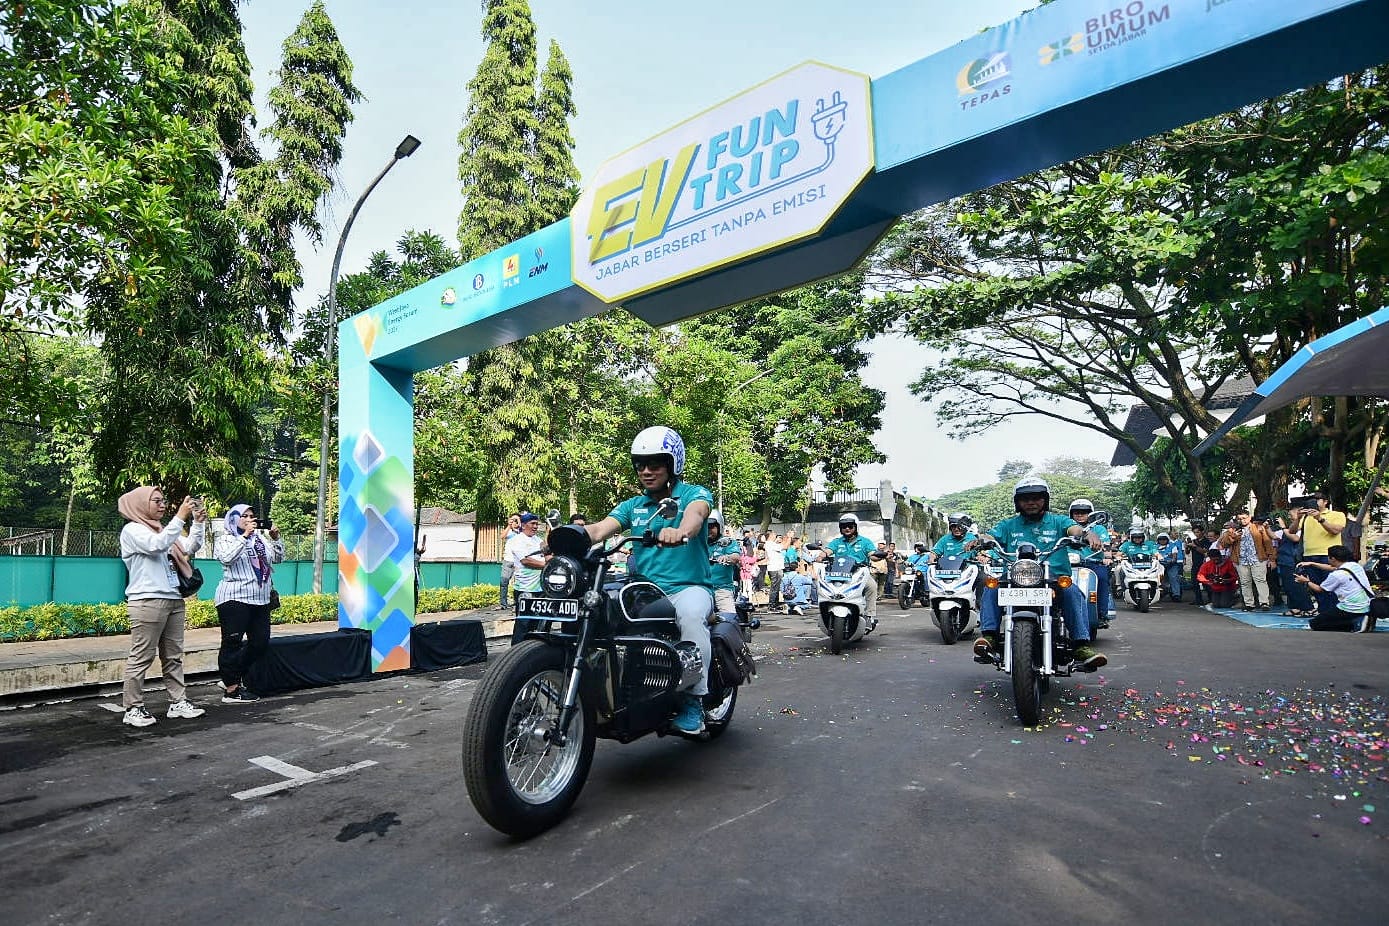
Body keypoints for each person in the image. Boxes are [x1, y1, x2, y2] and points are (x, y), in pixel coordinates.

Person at [585, 426, 715, 735]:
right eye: (640, 464)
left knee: (692, 617)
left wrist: (681, 531)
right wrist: (567, 536)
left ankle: (694, 700)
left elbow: (697, 516)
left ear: (672, 465)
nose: (646, 470)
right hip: (645, 593)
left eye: (655, 463)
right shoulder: (633, 506)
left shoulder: (694, 494)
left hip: (688, 588)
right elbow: (601, 529)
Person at [971, 477, 1107, 670]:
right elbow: (990, 535)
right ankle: (990, 637)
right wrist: (980, 539)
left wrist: (1085, 534)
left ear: (1045, 500)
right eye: (1025, 499)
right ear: (1018, 503)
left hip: (1053, 579)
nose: (1031, 502)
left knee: (1073, 593)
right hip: (1014, 579)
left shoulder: (1058, 521)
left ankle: (1081, 646)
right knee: (991, 587)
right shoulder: (1008, 525)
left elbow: (1073, 528)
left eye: (1036, 498)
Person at [117, 488, 208, 727]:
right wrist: (180, 516)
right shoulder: (133, 530)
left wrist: (197, 523)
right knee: (142, 656)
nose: (162, 505)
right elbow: (157, 546)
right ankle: (133, 708)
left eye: (163, 500)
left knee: (174, 656)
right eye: (156, 501)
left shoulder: (163, 529)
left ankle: (178, 703)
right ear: (139, 504)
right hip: (147, 600)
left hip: (173, 599)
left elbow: (188, 548)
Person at [214, 503, 285, 703]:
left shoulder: (260, 539)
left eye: (251, 516)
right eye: (243, 516)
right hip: (234, 597)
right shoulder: (226, 539)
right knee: (232, 643)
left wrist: (276, 539)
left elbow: (278, 559)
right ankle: (232, 690)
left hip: (260, 599)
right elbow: (227, 558)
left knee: (260, 642)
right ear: (233, 519)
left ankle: (231, 676)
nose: (249, 519)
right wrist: (244, 536)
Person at [1296, 545, 1375, 632]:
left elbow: (1320, 589)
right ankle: (1361, 619)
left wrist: (1306, 581)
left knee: (1315, 623)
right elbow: (1332, 567)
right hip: (1367, 604)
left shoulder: (1336, 575)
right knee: (1332, 616)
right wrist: (1312, 564)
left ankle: (1355, 624)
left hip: (1350, 607)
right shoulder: (1355, 566)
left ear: (1332, 558)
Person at [1295, 491, 1346, 617]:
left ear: (1325, 502)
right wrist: (1298, 518)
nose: (1314, 502)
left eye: (1317, 499)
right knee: (1315, 586)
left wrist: (1320, 518)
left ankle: (1334, 612)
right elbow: (1292, 530)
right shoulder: (1306, 517)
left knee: (1331, 586)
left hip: (1328, 556)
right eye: (1312, 500)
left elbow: (1335, 531)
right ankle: (1323, 611)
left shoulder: (1337, 514)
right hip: (1309, 555)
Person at [825, 513, 879, 623]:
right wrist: (820, 555)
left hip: (859, 573)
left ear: (856, 527)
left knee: (872, 586)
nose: (847, 528)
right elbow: (827, 551)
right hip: (838, 574)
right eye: (844, 526)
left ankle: (869, 616)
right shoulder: (836, 542)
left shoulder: (865, 542)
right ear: (841, 528)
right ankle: (825, 613)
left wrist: (879, 556)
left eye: (850, 526)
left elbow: (872, 555)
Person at [504, 513, 548, 644]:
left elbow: (548, 554)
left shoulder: (539, 541)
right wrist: (547, 566)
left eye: (537, 524)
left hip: (541, 588)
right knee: (523, 623)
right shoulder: (516, 541)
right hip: (525, 589)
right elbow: (525, 561)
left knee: (538, 623)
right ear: (523, 525)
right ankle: (515, 653)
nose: (535, 526)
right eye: (532, 524)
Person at [1219, 510, 1275, 611]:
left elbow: (1267, 542)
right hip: (1241, 560)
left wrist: (1272, 558)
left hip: (1257, 558)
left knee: (1261, 580)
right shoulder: (1231, 530)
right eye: (1239, 519)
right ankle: (1249, 604)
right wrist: (1233, 536)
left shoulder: (1258, 527)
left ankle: (1264, 603)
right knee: (1245, 582)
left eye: (1244, 518)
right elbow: (1223, 544)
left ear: (1249, 517)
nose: (1242, 520)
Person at [1067, 500, 1112, 623]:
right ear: (1071, 514)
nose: (1080, 515)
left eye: (1084, 512)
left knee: (1102, 578)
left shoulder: (1098, 528)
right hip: (1067, 564)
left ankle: (1102, 613)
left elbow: (1106, 544)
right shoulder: (1066, 527)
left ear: (1090, 514)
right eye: (1076, 512)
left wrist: (1107, 557)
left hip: (1093, 562)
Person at [1273, 512, 1313, 615]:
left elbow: (1295, 538)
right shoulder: (1289, 528)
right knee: (1288, 586)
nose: (1289, 516)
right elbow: (1274, 536)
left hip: (1293, 559)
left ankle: (1307, 607)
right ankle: (1295, 607)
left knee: (1296, 585)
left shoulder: (1301, 527)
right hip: (1283, 559)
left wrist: (1283, 527)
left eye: (1291, 514)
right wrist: (1267, 527)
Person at [706, 509, 744, 614]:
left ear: (719, 526)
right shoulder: (698, 543)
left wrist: (727, 558)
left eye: (711, 527)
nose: (708, 530)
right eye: (706, 527)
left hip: (721, 589)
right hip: (701, 589)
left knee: (729, 616)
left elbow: (736, 556)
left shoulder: (727, 542)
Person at [498, 513, 521, 608]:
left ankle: (518, 602)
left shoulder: (522, 532)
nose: (514, 522)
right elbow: (502, 536)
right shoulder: (509, 531)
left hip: (519, 561)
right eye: (513, 520)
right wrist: (509, 525)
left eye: (516, 520)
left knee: (520, 583)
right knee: (504, 582)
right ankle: (503, 603)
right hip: (508, 559)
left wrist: (519, 524)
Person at [1156, 532, 1185, 603]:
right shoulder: (1155, 547)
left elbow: (1174, 555)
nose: (1162, 541)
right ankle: (1157, 593)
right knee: (1159, 578)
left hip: (1171, 564)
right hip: (1159, 565)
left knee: (1173, 577)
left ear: (1167, 540)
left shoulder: (1172, 545)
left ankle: (1176, 595)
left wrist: (1172, 560)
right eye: (1160, 539)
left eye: (1164, 539)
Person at [764, 532, 786, 612]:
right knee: (774, 587)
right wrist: (789, 537)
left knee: (776, 587)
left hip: (777, 567)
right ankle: (772, 605)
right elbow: (784, 546)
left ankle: (775, 604)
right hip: (774, 568)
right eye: (773, 534)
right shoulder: (770, 544)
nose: (775, 536)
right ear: (770, 536)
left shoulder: (772, 544)